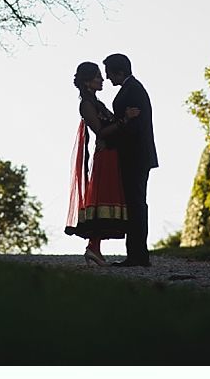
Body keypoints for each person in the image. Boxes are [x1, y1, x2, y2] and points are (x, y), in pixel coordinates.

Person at [65, 61, 140, 266]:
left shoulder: (95, 102)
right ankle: (92, 247)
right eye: (98, 77)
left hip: (111, 153)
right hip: (105, 156)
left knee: (106, 197)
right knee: (102, 197)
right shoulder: (87, 105)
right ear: (88, 81)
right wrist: (125, 119)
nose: (102, 80)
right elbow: (100, 131)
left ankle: (94, 248)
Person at [103, 53, 158, 267]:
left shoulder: (132, 91)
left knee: (136, 204)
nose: (107, 78)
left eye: (109, 73)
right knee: (135, 204)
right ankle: (136, 254)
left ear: (119, 71)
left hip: (135, 156)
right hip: (136, 155)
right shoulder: (131, 89)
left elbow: (135, 127)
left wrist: (115, 133)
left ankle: (138, 255)